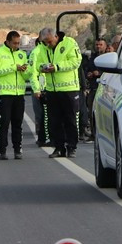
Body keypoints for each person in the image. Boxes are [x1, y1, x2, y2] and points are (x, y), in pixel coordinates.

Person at [35, 27, 82, 158]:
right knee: (54, 121)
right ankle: (59, 147)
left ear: (56, 36)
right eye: (45, 42)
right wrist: (43, 67)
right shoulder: (43, 48)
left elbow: (76, 61)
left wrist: (57, 67)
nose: (48, 44)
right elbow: (37, 64)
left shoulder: (69, 43)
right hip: (51, 90)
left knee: (70, 120)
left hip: (69, 89)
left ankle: (71, 147)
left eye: (50, 41)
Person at [0, 30, 31, 160]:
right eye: (14, 43)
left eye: (18, 43)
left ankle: (18, 149)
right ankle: (2, 151)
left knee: (18, 123)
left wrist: (26, 70)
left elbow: (26, 75)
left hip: (19, 94)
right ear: (7, 41)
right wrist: (14, 67)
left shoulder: (22, 54)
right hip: (4, 94)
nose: (17, 46)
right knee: (4, 123)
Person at [28, 37, 51, 148]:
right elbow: (32, 73)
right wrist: (37, 89)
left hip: (50, 87)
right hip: (41, 89)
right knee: (42, 114)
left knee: (48, 115)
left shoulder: (49, 51)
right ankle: (43, 138)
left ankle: (46, 137)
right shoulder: (36, 53)